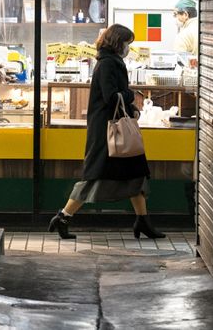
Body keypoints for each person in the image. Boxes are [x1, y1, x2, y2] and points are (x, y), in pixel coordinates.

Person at [48, 24, 166, 240]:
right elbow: (112, 97)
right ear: (117, 43)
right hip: (108, 132)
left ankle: (143, 220)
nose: (128, 48)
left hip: (116, 129)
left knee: (136, 173)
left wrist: (130, 108)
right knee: (94, 177)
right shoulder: (108, 65)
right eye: (127, 43)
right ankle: (62, 217)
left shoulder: (110, 62)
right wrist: (130, 96)